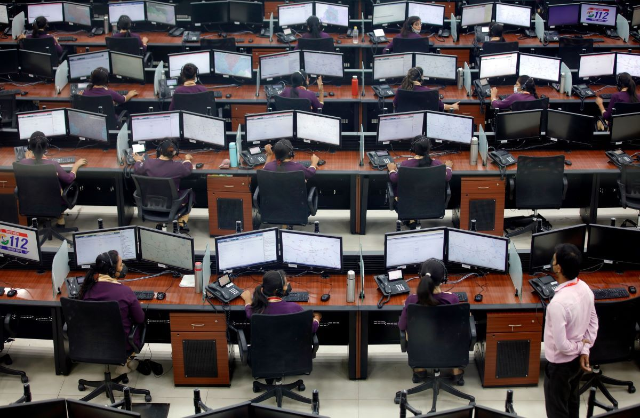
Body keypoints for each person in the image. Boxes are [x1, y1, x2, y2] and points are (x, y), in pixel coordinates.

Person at [544, 243, 598, 418]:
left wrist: (578, 348)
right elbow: (593, 322)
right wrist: (584, 349)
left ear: (558, 268)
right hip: (578, 363)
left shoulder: (558, 304)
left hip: (560, 366)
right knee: (572, 403)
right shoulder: (585, 289)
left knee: (557, 410)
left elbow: (561, 345)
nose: (552, 262)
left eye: (553, 260)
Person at [79, 250, 154, 375]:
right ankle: (125, 362)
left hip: (93, 342)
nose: (123, 267)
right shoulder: (124, 291)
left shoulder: (87, 289)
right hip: (122, 344)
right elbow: (140, 319)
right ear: (113, 271)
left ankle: (125, 363)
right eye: (120, 264)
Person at [398, 259, 461, 382]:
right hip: (448, 346)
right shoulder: (452, 298)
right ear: (443, 279)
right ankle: (455, 371)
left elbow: (402, 325)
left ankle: (419, 370)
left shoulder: (412, 300)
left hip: (421, 346)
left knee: (411, 331)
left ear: (420, 276)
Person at [19, 131, 87, 227]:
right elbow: (69, 179)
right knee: (60, 182)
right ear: (46, 147)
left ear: (30, 148)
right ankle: (60, 219)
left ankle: (55, 219)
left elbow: (31, 162)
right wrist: (76, 166)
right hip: (54, 203)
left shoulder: (23, 162)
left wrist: (29, 158)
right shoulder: (52, 164)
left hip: (32, 204)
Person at [133, 139, 194, 231]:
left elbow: (137, 169)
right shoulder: (178, 167)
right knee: (191, 194)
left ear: (160, 151)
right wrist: (187, 159)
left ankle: (160, 223)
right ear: (174, 153)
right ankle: (181, 223)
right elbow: (188, 170)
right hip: (172, 204)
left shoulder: (148, 163)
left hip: (150, 203)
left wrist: (138, 160)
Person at [241, 270, 321, 333]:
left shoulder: (257, 311)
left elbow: (249, 311)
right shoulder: (295, 308)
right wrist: (317, 317)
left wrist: (248, 300)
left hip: (266, 352)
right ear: (277, 291)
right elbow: (312, 328)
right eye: (286, 284)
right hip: (292, 351)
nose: (288, 285)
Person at [387, 136, 453, 199]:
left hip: (407, 206)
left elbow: (394, 179)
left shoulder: (406, 164)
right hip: (432, 206)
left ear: (413, 149)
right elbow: (447, 177)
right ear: (429, 148)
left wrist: (392, 170)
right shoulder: (437, 164)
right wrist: (448, 167)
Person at [393, 67, 460, 112]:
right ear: (421, 77)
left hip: (406, 121)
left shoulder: (401, 89)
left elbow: (394, 104)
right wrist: (453, 106)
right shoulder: (428, 91)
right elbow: (441, 106)